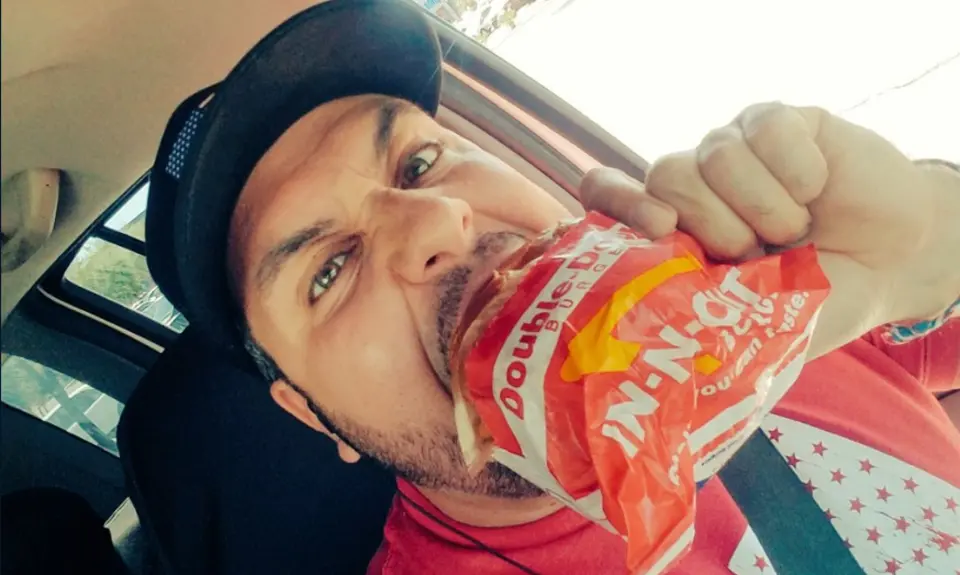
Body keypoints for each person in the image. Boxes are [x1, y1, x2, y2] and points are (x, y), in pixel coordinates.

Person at [153, 1, 959, 573]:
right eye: (327, 272)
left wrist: (926, 233)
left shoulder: (759, 289)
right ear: (310, 411)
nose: (435, 222)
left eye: (421, 162)